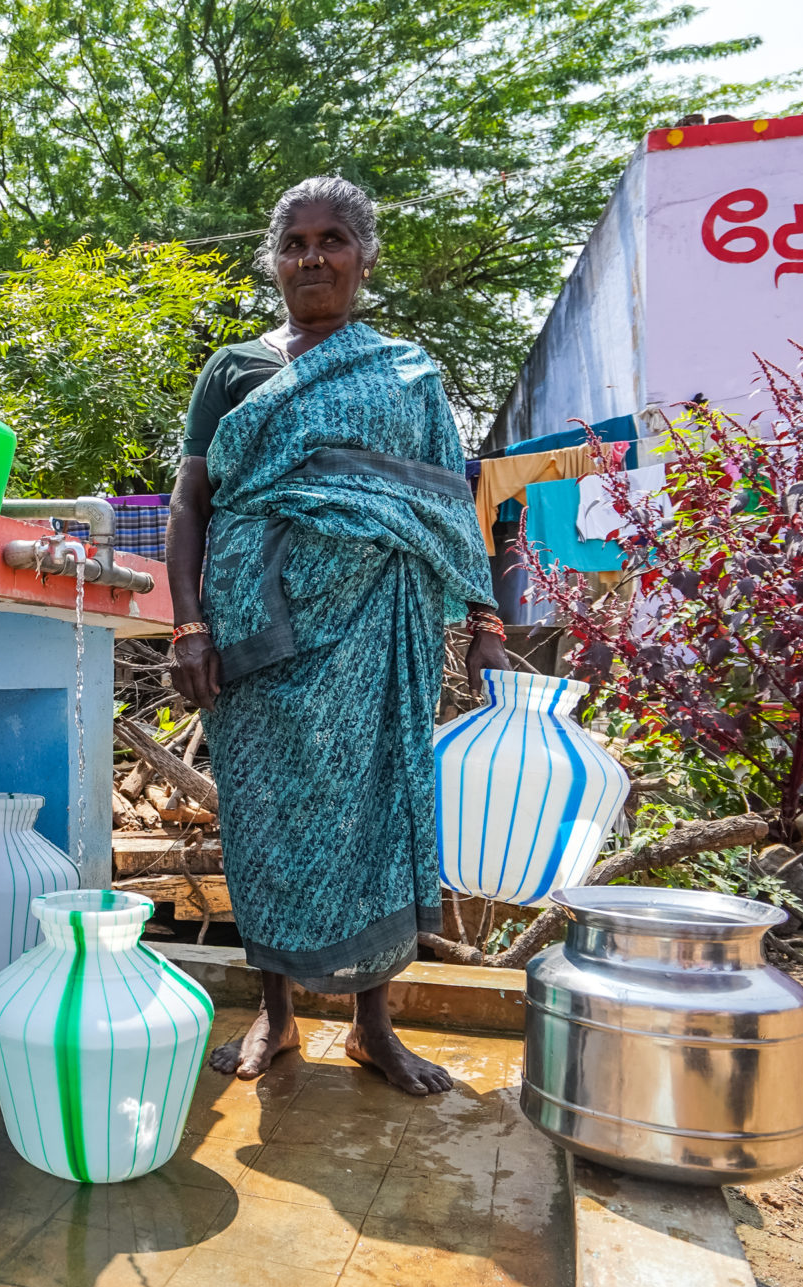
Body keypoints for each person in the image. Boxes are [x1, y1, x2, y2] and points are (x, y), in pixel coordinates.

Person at [164, 176, 514, 1095]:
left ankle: (373, 1027)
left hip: (377, 635)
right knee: (266, 821)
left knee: (379, 814)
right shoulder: (235, 369)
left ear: (363, 257)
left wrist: (483, 620)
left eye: (332, 240)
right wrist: (189, 623)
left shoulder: (407, 374)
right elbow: (190, 503)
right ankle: (276, 1019)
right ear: (274, 260)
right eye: (295, 242)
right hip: (256, 635)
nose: (312, 257)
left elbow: (446, 501)